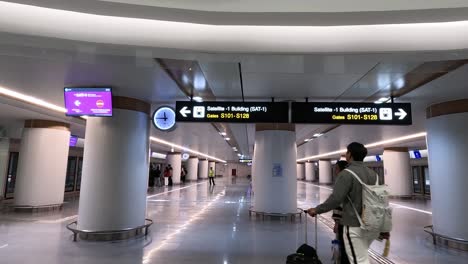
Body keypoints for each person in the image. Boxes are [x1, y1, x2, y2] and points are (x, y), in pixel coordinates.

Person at [307, 142, 389, 264]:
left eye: (347, 152)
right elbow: (382, 200)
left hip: (353, 225)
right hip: (371, 226)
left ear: (349, 154)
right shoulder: (374, 175)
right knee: (361, 255)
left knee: (352, 259)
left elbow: (336, 199)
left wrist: (316, 210)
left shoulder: (346, 174)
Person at [332, 160, 350, 264]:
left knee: (342, 247)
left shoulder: (341, 182)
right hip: (354, 222)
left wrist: (336, 223)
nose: (335, 171)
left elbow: (338, 204)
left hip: (344, 222)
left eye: (336, 169)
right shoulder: (352, 180)